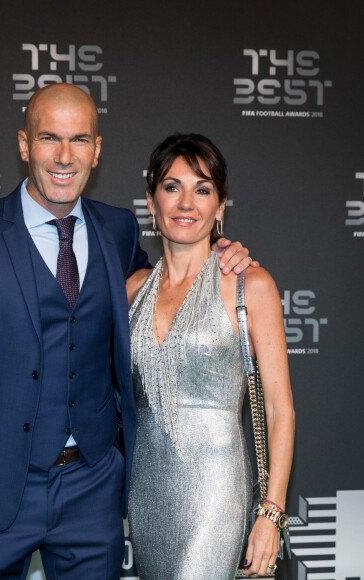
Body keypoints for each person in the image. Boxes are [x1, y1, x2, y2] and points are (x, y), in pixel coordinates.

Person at [0, 84, 253, 579]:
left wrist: (218, 253)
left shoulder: (118, 230)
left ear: (97, 150)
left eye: (80, 140)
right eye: (49, 138)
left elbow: (170, 281)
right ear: (24, 146)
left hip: (92, 486)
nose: (64, 157)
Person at [126, 133, 295, 579]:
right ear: (151, 201)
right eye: (171, 187)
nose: (186, 203)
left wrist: (271, 513)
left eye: (202, 190)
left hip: (217, 493)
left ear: (220, 207)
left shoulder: (249, 286)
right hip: (145, 494)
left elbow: (280, 408)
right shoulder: (130, 291)